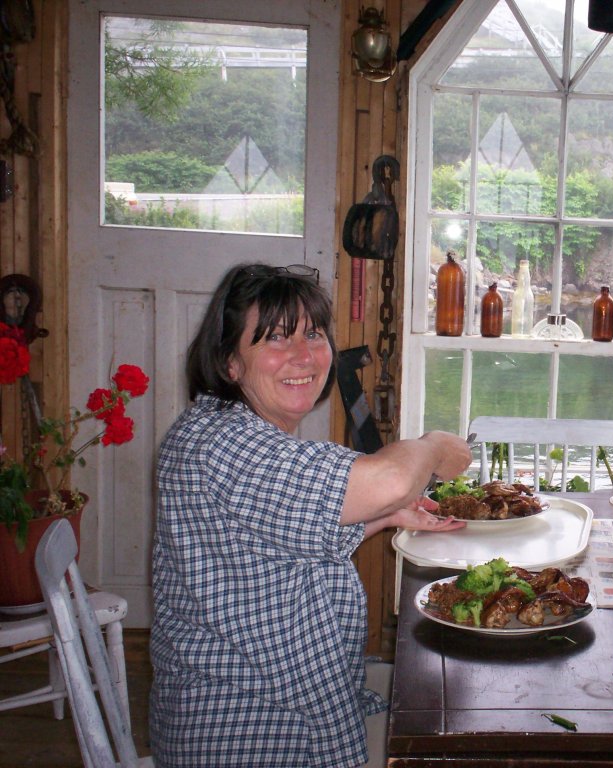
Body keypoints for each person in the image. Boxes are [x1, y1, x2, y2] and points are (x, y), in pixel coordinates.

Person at [149, 263, 471, 767]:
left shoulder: (225, 427)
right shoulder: (228, 446)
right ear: (230, 362)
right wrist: (431, 447)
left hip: (286, 703)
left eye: (314, 334)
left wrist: (384, 517)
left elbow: (265, 542)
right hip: (253, 730)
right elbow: (388, 478)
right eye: (276, 338)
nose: (304, 356)